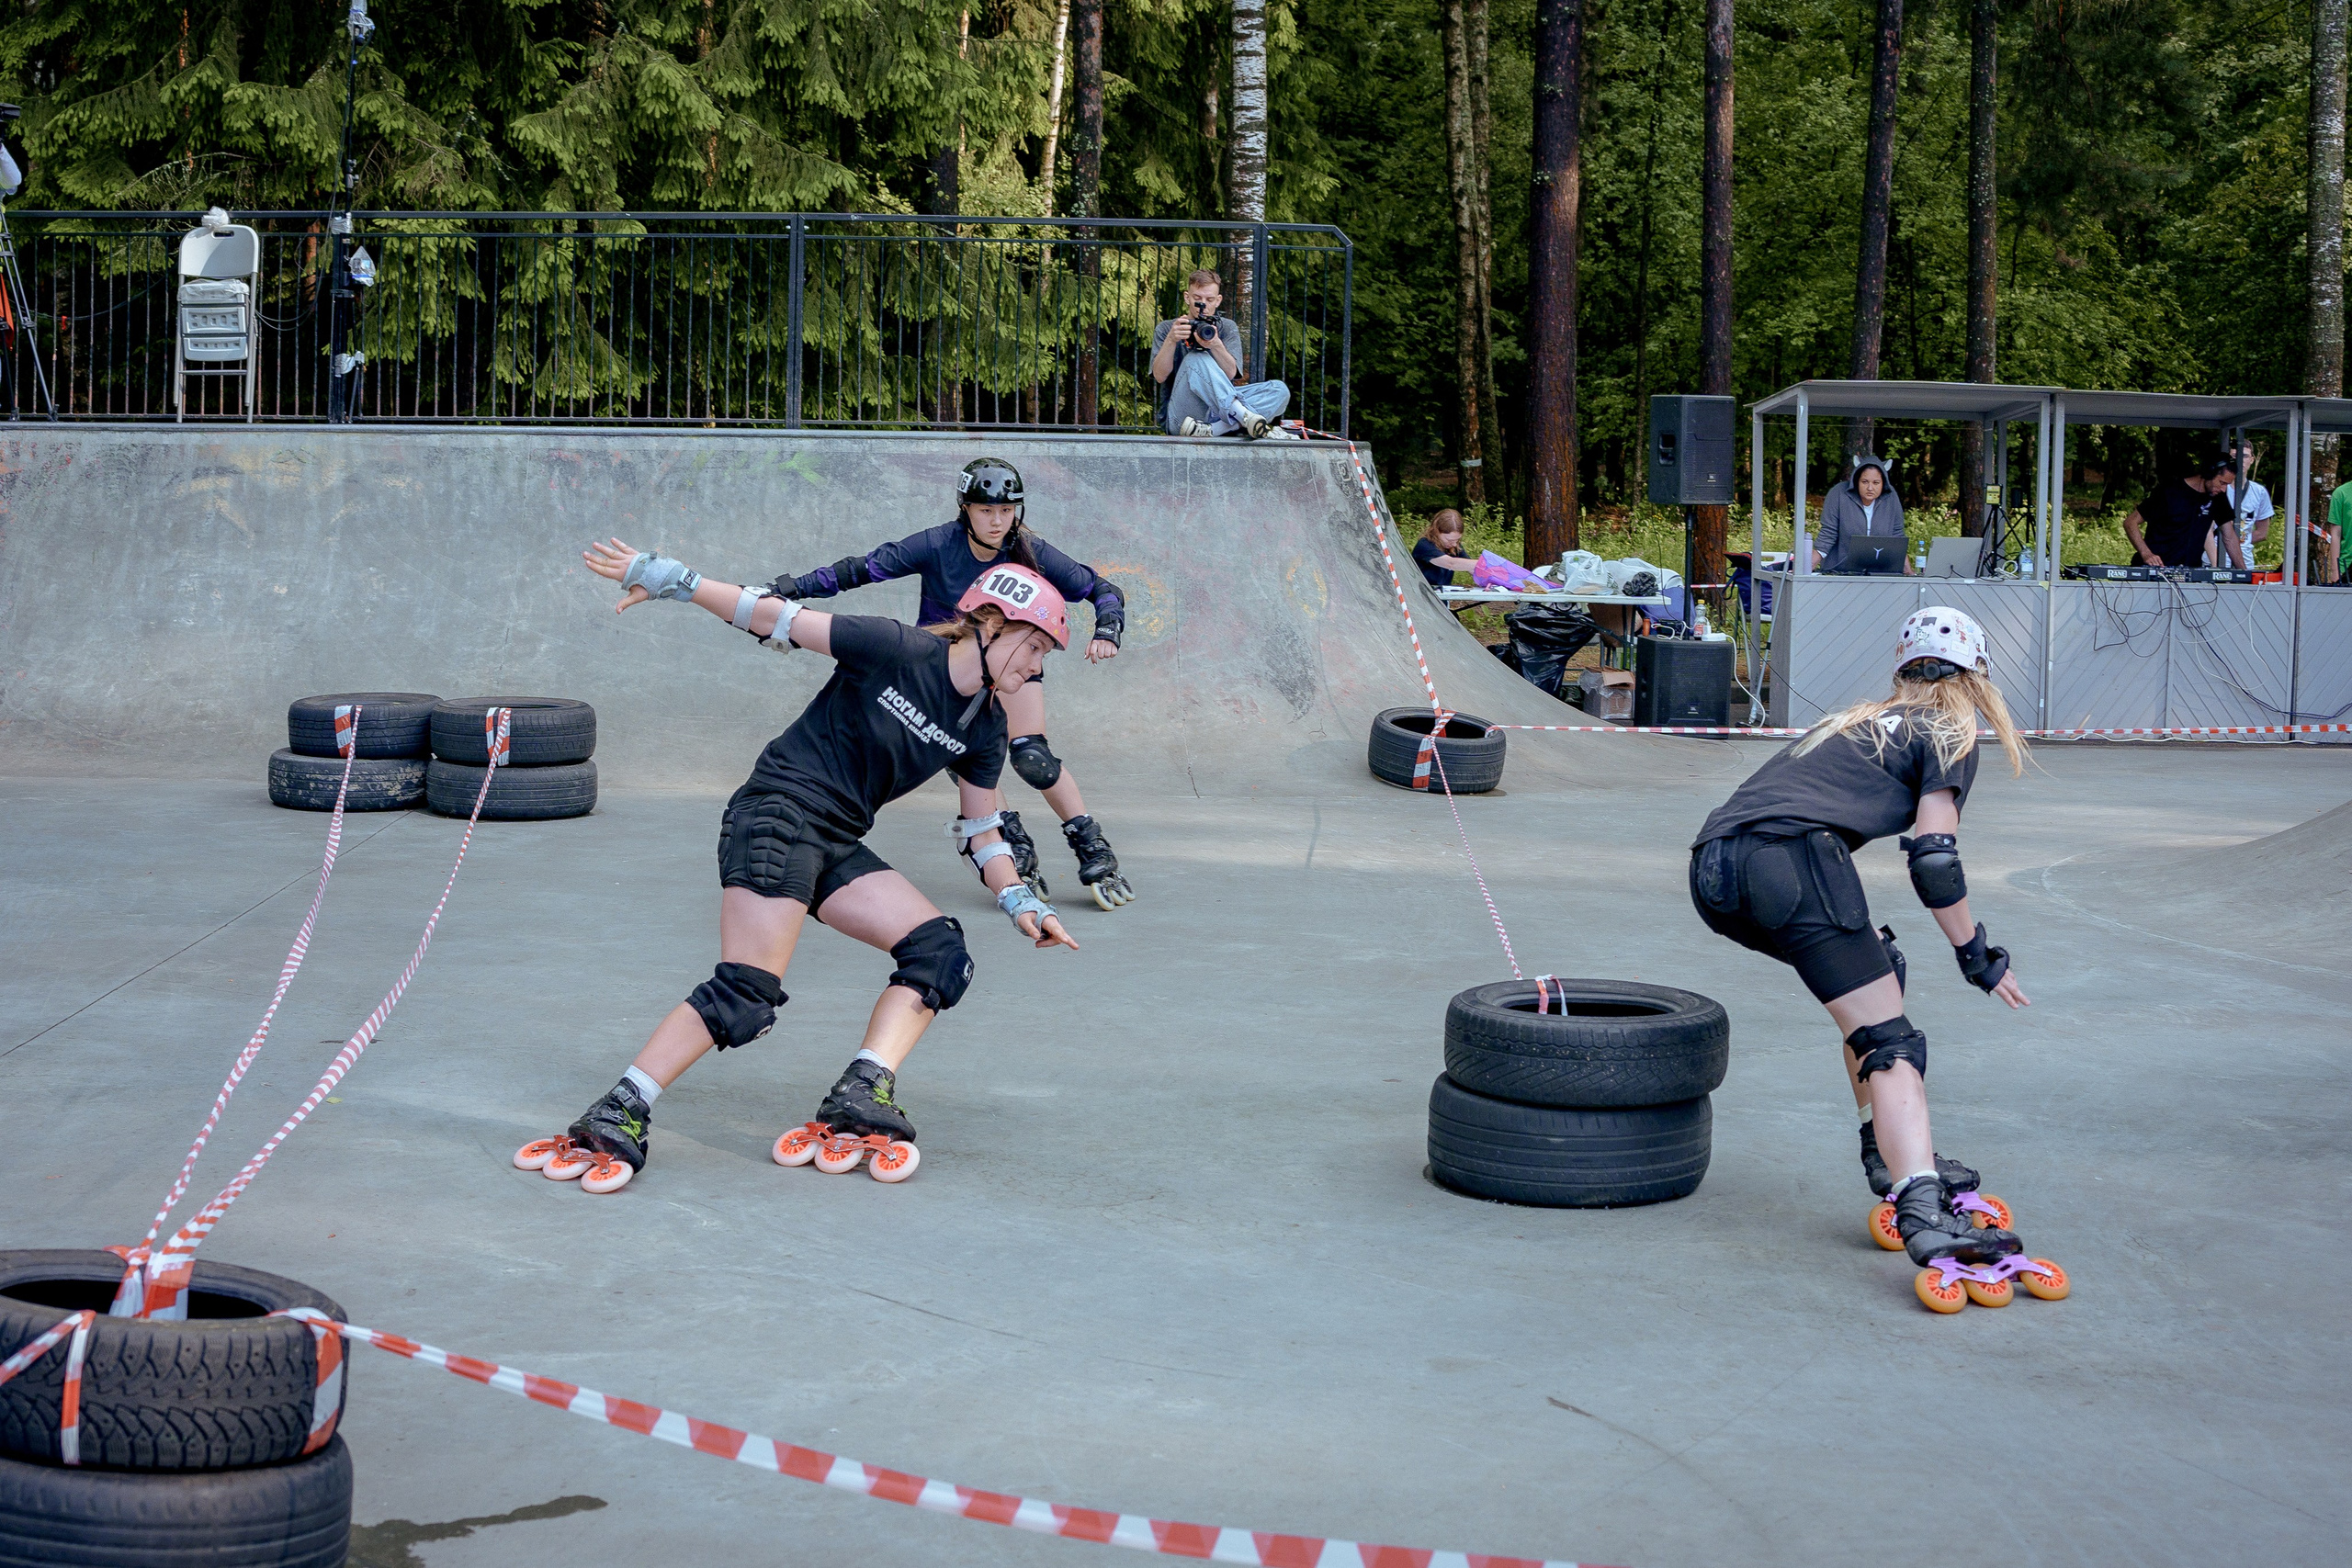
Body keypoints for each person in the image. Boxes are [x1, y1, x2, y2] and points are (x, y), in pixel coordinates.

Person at [516, 545, 1081, 1193]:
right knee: (747, 992)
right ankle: (619, 1106)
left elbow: (984, 831)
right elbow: (775, 616)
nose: (1038, 668)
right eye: (1035, 648)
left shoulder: (984, 726)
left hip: (837, 837)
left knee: (939, 952)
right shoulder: (896, 649)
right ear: (991, 623)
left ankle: (863, 1087)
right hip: (777, 812)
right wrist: (677, 581)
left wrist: (1020, 902)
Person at [1688, 606, 2047, 1295]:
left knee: (1879, 974)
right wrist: (1977, 953)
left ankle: (1884, 1148)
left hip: (1713, 867)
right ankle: (1921, 1204)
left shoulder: (1854, 718)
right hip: (1788, 859)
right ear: (1976, 676)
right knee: (1891, 1038)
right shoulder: (1950, 726)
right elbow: (1934, 859)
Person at [769, 457, 1136, 910]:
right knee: (966, 757)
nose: (997, 521)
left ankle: (1091, 844)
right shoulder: (937, 544)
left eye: (1006, 510)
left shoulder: (1029, 550)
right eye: (986, 511)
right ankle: (1007, 839)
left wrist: (1107, 630)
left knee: (1032, 757)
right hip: (946, 666)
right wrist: (788, 589)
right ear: (965, 508)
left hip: (1011, 662)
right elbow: (860, 570)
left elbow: (1103, 589)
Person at [1150, 268, 1291, 440]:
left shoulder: (1227, 327)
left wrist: (1216, 344)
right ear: (1187, 297)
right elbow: (1159, 376)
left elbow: (1231, 374)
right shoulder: (1168, 328)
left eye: (1209, 300)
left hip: (1217, 414)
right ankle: (1243, 417)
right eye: (1197, 299)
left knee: (1279, 390)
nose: (1203, 305)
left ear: (1218, 301)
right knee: (1197, 356)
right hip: (1184, 418)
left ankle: (1216, 429)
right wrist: (1171, 340)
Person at [2123, 457, 2240, 570]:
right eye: (2222, 483)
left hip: (2190, 574)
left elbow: (2229, 537)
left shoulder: (2217, 497)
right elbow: (2130, 522)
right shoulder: (2169, 491)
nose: (2224, 489)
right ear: (2209, 473)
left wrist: (2245, 574)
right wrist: (2146, 554)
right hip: (2156, 570)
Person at [1811, 455, 1907, 574]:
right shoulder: (1838, 493)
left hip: (1880, 573)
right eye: (1865, 482)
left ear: (1883, 483)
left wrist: (1910, 572)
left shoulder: (1891, 497)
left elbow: (1897, 536)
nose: (1870, 488)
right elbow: (1828, 532)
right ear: (1856, 480)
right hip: (1841, 571)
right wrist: (1809, 564)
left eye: (1876, 483)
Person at [2209, 446, 2268, 571]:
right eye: (2235, 456)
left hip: (2245, 559)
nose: (2240, 460)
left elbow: (2262, 532)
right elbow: (2207, 530)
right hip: (2213, 558)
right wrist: (2215, 566)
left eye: (2245, 456)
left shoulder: (2260, 491)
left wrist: (2243, 540)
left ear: (2252, 459)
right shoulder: (2216, 490)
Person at [1414, 509, 1478, 587]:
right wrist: (1483, 564)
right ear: (1436, 532)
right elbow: (1451, 563)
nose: (1454, 544)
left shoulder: (1454, 546)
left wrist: (1489, 577)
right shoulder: (1425, 545)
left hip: (1442, 596)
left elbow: (1471, 568)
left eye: (1457, 540)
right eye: (1450, 540)